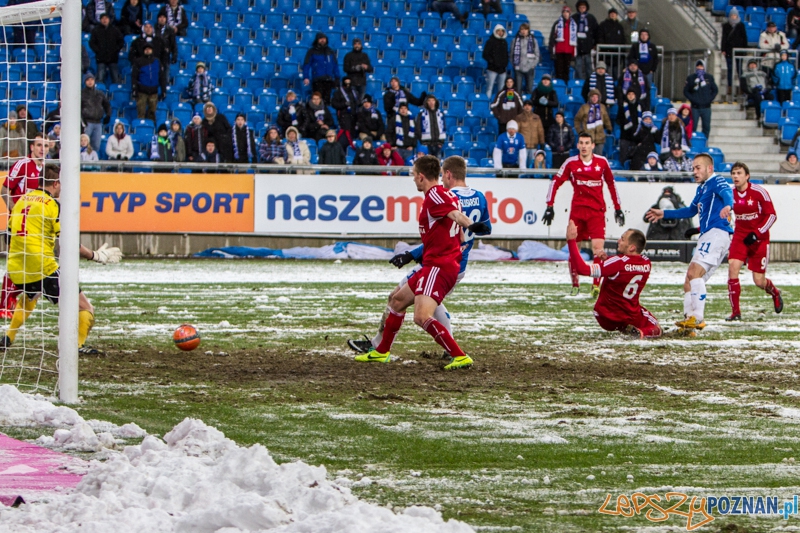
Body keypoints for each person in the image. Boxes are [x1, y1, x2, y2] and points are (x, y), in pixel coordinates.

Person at [352, 155, 488, 370]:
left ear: (422, 177)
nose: (413, 179)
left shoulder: (435, 195)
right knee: (397, 301)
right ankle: (381, 352)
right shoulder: (448, 194)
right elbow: (459, 233)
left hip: (438, 266)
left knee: (421, 315)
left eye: (414, 175)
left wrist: (470, 225)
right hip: (436, 263)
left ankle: (459, 356)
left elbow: (455, 216)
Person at [1, 166, 122, 354]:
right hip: (42, 266)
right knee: (85, 307)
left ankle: (8, 337)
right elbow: (68, 242)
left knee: (30, 296)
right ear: (56, 183)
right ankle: (78, 346)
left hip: (16, 268)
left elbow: (9, 234)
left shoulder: (20, 201)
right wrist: (95, 255)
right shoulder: (52, 204)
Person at [645, 154, 733, 334]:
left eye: (698, 168)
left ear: (709, 168)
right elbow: (690, 210)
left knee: (694, 273)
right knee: (689, 280)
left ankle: (698, 318)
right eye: (693, 168)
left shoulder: (717, 181)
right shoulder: (702, 189)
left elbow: (727, 193)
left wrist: (728, 206)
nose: (694, 171)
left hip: (716, 233)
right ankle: (689, 323)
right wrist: (665, 213)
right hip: (708, 235)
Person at [543, 132, 624, 297]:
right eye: (581, 143)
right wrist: (549, 206)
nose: (584, 146)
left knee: (598, 249)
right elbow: (555, 181)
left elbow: (611, 183)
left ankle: (595, 285)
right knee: (574, 249)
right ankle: (575, 284)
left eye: (587, 143)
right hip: (577, 212)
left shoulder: (602, 162)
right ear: (578, 145)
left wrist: (617, 207)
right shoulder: (571, 163)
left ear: (593, 145)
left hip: (597, 212)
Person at [566, 220, 661, 338]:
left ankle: (632, 331)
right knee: (656, 327)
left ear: (631, 247)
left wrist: (571, 241)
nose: (618, 241)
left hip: (604, 316)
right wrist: (608, 261)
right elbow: (625, 271)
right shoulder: (646, 263)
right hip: (628, 316)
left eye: (622, 239)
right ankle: (641, 334)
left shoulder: (617, 262)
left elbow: (582, 269)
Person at [726, 161, 782, 321]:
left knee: (759, 281)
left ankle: (775, 292)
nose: (736, 176)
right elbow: (721, 215)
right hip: (740, 237)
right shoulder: (730, 194)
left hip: (759, 240)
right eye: (733, 173)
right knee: (732, 268)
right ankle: (736, 312)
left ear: (747, 176)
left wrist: (757, 233)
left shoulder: (759, 192)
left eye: (739, 173)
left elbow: (771, 215)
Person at [0, 134, 46, 318]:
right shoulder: (23, 165)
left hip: (37, 227)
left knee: (35, 264)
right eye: (39, 145)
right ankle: (4, 304)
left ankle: (16, 299)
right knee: (17, 264)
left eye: (46, 145)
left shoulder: (48, 170)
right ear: (32, 147)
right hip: (19, 227)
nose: (43, 149)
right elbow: (4, 189)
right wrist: (14, 212)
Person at [302, 33, 339, 106]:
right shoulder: (311, 51)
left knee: (326, 102)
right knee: (317, 101)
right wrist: (306, 77)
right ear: (317, 40)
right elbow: (306, 64)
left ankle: (324, 116)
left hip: (328, 80)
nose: (322, 40)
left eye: (324, 38)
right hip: (317, 80)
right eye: (320, 38)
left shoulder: (330, 51)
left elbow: (335, 65)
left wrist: (337, 77)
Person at [131, 42, 165, 122]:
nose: (147, 50)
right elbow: (134, 77)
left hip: (154, 92)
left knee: (152, 113)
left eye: (149, 49)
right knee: (141, 112)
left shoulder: (157, 61)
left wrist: (163, 90)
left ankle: (151, 130)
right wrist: (134, 89)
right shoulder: (138, 61)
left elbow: (162, 77)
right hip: (141, 92)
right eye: (146, 49)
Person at [684, 60, 718, 138]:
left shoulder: (709, 77)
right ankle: (692, 144)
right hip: (695, 107)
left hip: (706, 107)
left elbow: (715, 90)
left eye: (701, 66)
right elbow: (686, 91)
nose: (699, 68)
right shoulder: (691, 78)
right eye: (698, 66)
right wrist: (693, 99)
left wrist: (709, 99)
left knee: (706, 127)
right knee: (693, 127)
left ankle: (705, 143)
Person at [89, 13, 125, 86]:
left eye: (106, 18)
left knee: (115, 78)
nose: (105, 20)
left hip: (113, 58)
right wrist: (98, 51)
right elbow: (92, 43)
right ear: (100, 20)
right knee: (100, 79)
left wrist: (116, 50)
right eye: (103, 18)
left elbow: (121, 41)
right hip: (101, 58)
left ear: (109, 19)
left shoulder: (115, 30)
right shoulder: (96, 30)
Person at [575, 89, 612, 155]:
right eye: (593, 97)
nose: (595, 98)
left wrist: (609, 128)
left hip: (600, 138)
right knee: (588, 158)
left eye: (596, 97)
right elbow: (577, 119)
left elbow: (606, 119)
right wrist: (579, 131)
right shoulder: (584, 107)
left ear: (599, 98)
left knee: (598, 159)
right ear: (590, 98)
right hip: (588, 138)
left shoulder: (602, 107)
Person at [80, 72, 111, 153]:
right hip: (87, 123)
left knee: (96, 146)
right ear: (85, 82)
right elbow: (78, 109)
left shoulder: (99, 93)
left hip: (98, 123)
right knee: (83, 145)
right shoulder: (82, 94)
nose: (90, 81)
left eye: (92, 79)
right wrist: (83, 121)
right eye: (88, 80)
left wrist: (108, 115)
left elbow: (107, 105)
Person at [721, 7, 747, 95]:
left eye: (735, 15)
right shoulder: (726, 25)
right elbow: (724, 38)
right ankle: (730, 87)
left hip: (739, 50)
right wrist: (723, 49)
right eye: (732, 15)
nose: (733, 16)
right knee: (730, 69)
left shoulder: (741, 25)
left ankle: (742, 87)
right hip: (729, 50)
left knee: (739, 70)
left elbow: (744, 38)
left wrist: (744, 50)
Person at [572, 0, 598, 81]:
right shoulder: (574, 18)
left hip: (588, 46)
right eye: (580, 7)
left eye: (583, 7)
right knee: (578, 66)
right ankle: (579, 82)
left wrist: (595, 44)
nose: (582, 9)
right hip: (578, 46)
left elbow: (596, 31)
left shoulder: (591, 18)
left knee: (589, 66)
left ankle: (589, 82)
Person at [549, 5, 576, 82]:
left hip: (569, 51)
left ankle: (565, 87)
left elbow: (575, 39)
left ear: (570, 13)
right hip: (559, 50)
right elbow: (552, 37)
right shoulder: (557, 24)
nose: (565, 13)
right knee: (559, 70)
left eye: (567, 12)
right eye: (564, 12)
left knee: (566, 71)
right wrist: (552, 50)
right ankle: (559, 85)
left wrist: (574, 53)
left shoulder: (573, 24)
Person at [510, 23, 539, 95]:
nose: (523, 31)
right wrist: (514, 64)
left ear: (528, 30)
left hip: (530, 67)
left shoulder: (533, 40)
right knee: (518, 89)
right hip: (518, 67)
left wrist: (532, 65)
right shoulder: (515, 40)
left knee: (529, 88)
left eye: (525, 29)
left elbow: (537, 55)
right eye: (522, 29)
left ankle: (528, 104)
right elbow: (511, 54)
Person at [596, 8, 625, 78]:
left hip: (617, 56)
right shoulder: (603, 25)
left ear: (616, 15)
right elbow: (600, 36)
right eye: (611, 13)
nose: (612, 15)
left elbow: (622, 39)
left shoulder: (619, 26)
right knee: (607, 74)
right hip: (606, 55)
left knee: (616, 74)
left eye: (614, 13)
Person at [483, 24, 510, 98]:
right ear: (495, 32)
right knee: (489, 88)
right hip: (492, 69)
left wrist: (505, 63)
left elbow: (506, 54)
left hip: (502, 69)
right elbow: (485, 54)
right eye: (498, 31)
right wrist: (492, 62)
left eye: (502, 31)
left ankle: (499, 104)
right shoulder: (490, 41)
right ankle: (487, 103)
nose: (500, 32)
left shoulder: (505, 42)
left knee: (501, 89)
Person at [617, 88, 642, 165]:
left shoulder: (639, 106)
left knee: (635, 159)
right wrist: (626, 123)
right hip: (625, 136)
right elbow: (618, 120)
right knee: (623, 157)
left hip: (636, 136)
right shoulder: (622, 107)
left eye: (632, 94)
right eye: (629, 94)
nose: (631, 96)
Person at [516, 100, 545, 166]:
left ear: (531, 107)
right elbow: (517, 131)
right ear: (523, 107)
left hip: (534, 147)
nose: (527, 107)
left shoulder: (536, 117)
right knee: (522, 166)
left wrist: (542, 143)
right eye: (525, 105)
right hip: (523, 147)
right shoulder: (519, 117)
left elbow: (540, 131)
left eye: (529, 105)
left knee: (532, 166)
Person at [154, 13, 177, 84]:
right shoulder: (153, 29)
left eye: (164, 17)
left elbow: (173, 44)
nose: (162, 19)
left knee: (165, 79)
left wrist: (174, 55)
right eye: (160, 17)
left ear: (166, 19)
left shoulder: (170, 30)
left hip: (165, 57)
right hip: (154, 56)